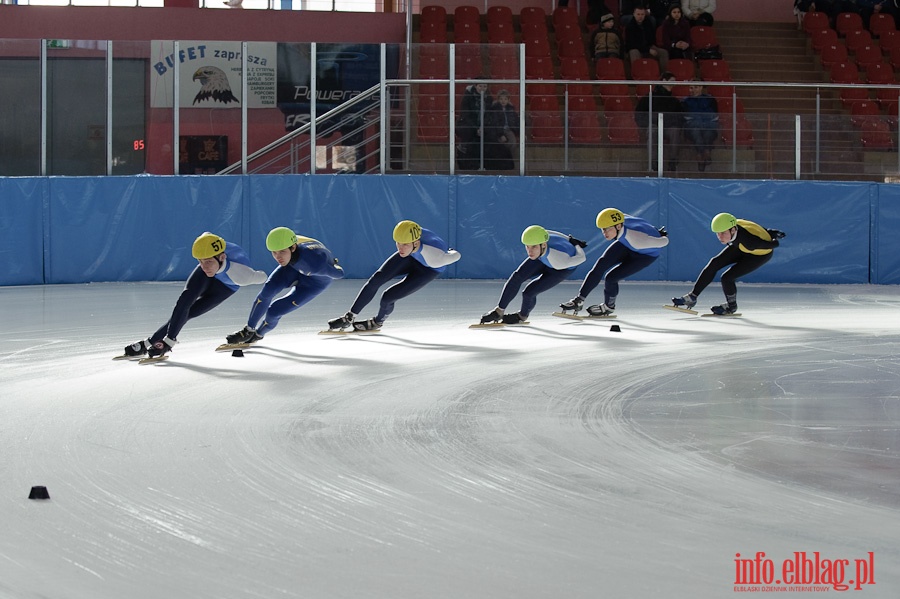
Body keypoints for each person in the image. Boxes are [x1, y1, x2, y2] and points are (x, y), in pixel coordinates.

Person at [121, 232, 268, 359]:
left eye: (208, 262)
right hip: (212, 272)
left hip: (226, 286)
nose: (204, 266)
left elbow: (262, 277)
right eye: (200, 262)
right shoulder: (207, 260)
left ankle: (160, 342)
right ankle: (155, 342)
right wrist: (207, 262)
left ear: (222, 257)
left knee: (191, 312)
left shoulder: (242, 275)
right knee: (184, 301)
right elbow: (206, 236)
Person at [327, 220, 461, 332]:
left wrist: (450, 251)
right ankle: (349, 317)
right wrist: (407, 247)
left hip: (428, 269)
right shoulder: (408, 241)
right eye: (398, 243)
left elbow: (457, 255)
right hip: (412, 256)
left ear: (416, 242)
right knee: (377, 279)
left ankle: (377, 322)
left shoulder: (435, 257)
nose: (400, 248)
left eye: (405, 244)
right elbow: (406, 241)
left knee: (388, 297)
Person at [226, 227, 344, 344]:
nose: (278, 257)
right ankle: (248, 330)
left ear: (293, 247)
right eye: (274, 252)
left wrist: (334, 265)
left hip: (313, 284)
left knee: (274, 311)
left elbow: (340, 273)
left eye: (282, 251)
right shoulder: (288, 245)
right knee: (268, 290)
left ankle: (258, 334)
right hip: (292, 267)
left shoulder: (315, 264)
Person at [559, 208, 669, 316]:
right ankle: (579, 300)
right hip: (626, 244)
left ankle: (608, 307)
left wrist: (659, 236)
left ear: (618, 226)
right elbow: (638, 221)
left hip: (644, 255)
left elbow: (665, 242)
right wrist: (653, 229)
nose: (604, 233)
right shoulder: (620, 220)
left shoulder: (636, 239)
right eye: (603, 229)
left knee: (611, 277)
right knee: (600, 265)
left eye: (607, 229)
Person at [671, 213, 786, 315]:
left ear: (733, 230)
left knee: (727, 277)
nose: (720, 237)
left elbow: (773, 245)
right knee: (714, 263)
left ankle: (731, 307)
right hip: (740, 246)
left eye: (723, 233)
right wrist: (770, 231)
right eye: (718, 234)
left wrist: (774, 238)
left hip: (759, 255)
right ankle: (692, 297)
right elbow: (755, 228)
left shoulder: (749, 242)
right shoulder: (735, 224)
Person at [480, 225, 587, 325]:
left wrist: (576, 245)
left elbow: (582, 258)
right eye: (527, 247)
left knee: (529, 292)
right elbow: (546, 232)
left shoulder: (559, 261)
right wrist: (569, 239)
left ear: (543, 244)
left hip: (560, 268)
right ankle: (499, 311)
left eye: (533, 247)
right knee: (517, 277)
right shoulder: (539, 240)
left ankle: (522, 316)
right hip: (542, 256)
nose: (530, 252)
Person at [634, 71, 686, 171]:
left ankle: (673, 161)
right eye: (671, 81)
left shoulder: (674, 101)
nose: (674, 84)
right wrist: (649, 123)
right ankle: (654, 162)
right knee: (652, 130)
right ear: (663, 81)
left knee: (675, 131)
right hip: (654, 126)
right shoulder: (649, 97)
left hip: (669, 127)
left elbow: (680, 117)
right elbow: (639, 115)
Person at [681, 80, 719, 171]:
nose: (693, 90)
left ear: (701, 87)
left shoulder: (710, 99)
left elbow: (715, 115)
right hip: (692, 127)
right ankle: (705, 152)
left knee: (708, 132)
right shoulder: (685, 101)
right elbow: (686, 117)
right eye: (691, 87)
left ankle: (700, 155)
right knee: (695, 131)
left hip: (708, 126)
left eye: (695, 87)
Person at [457, 78, 492, 170]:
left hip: (482, 126)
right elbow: (466, 115)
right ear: (475, 86)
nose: (482, 88)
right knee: (469, 137)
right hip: (468, 125)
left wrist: (482, 127)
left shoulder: (489, 98)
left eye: (485, 86)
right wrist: (476, 128)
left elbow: (488, 115)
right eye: (480, 86)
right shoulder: (468, 97)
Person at [624, 4, 669, 70]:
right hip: (635, 48)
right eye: (638, 14)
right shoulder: (629, 27)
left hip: (648, 47)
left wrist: (652, 48)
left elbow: (652, 40)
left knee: (663, 52)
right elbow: (631, 44)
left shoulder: (648, 24)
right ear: (634, 14)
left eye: (642, 14)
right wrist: (647, 50)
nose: (640, 17)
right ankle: (637, 75)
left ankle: (665, 75)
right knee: (634, 52)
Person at [485, 89, 520, 171]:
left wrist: (519, 132)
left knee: (513, 143)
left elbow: (515, 121)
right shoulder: (495, 109)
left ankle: (509, 160)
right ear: (498, 100)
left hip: (509, 130)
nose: (503, 101)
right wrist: (500, 134)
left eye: (505, 99)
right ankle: (502, 162)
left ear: (508, 100)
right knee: (500, 145)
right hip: (499, 131)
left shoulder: (511, 109)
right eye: (501, 99)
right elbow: (495, 122)